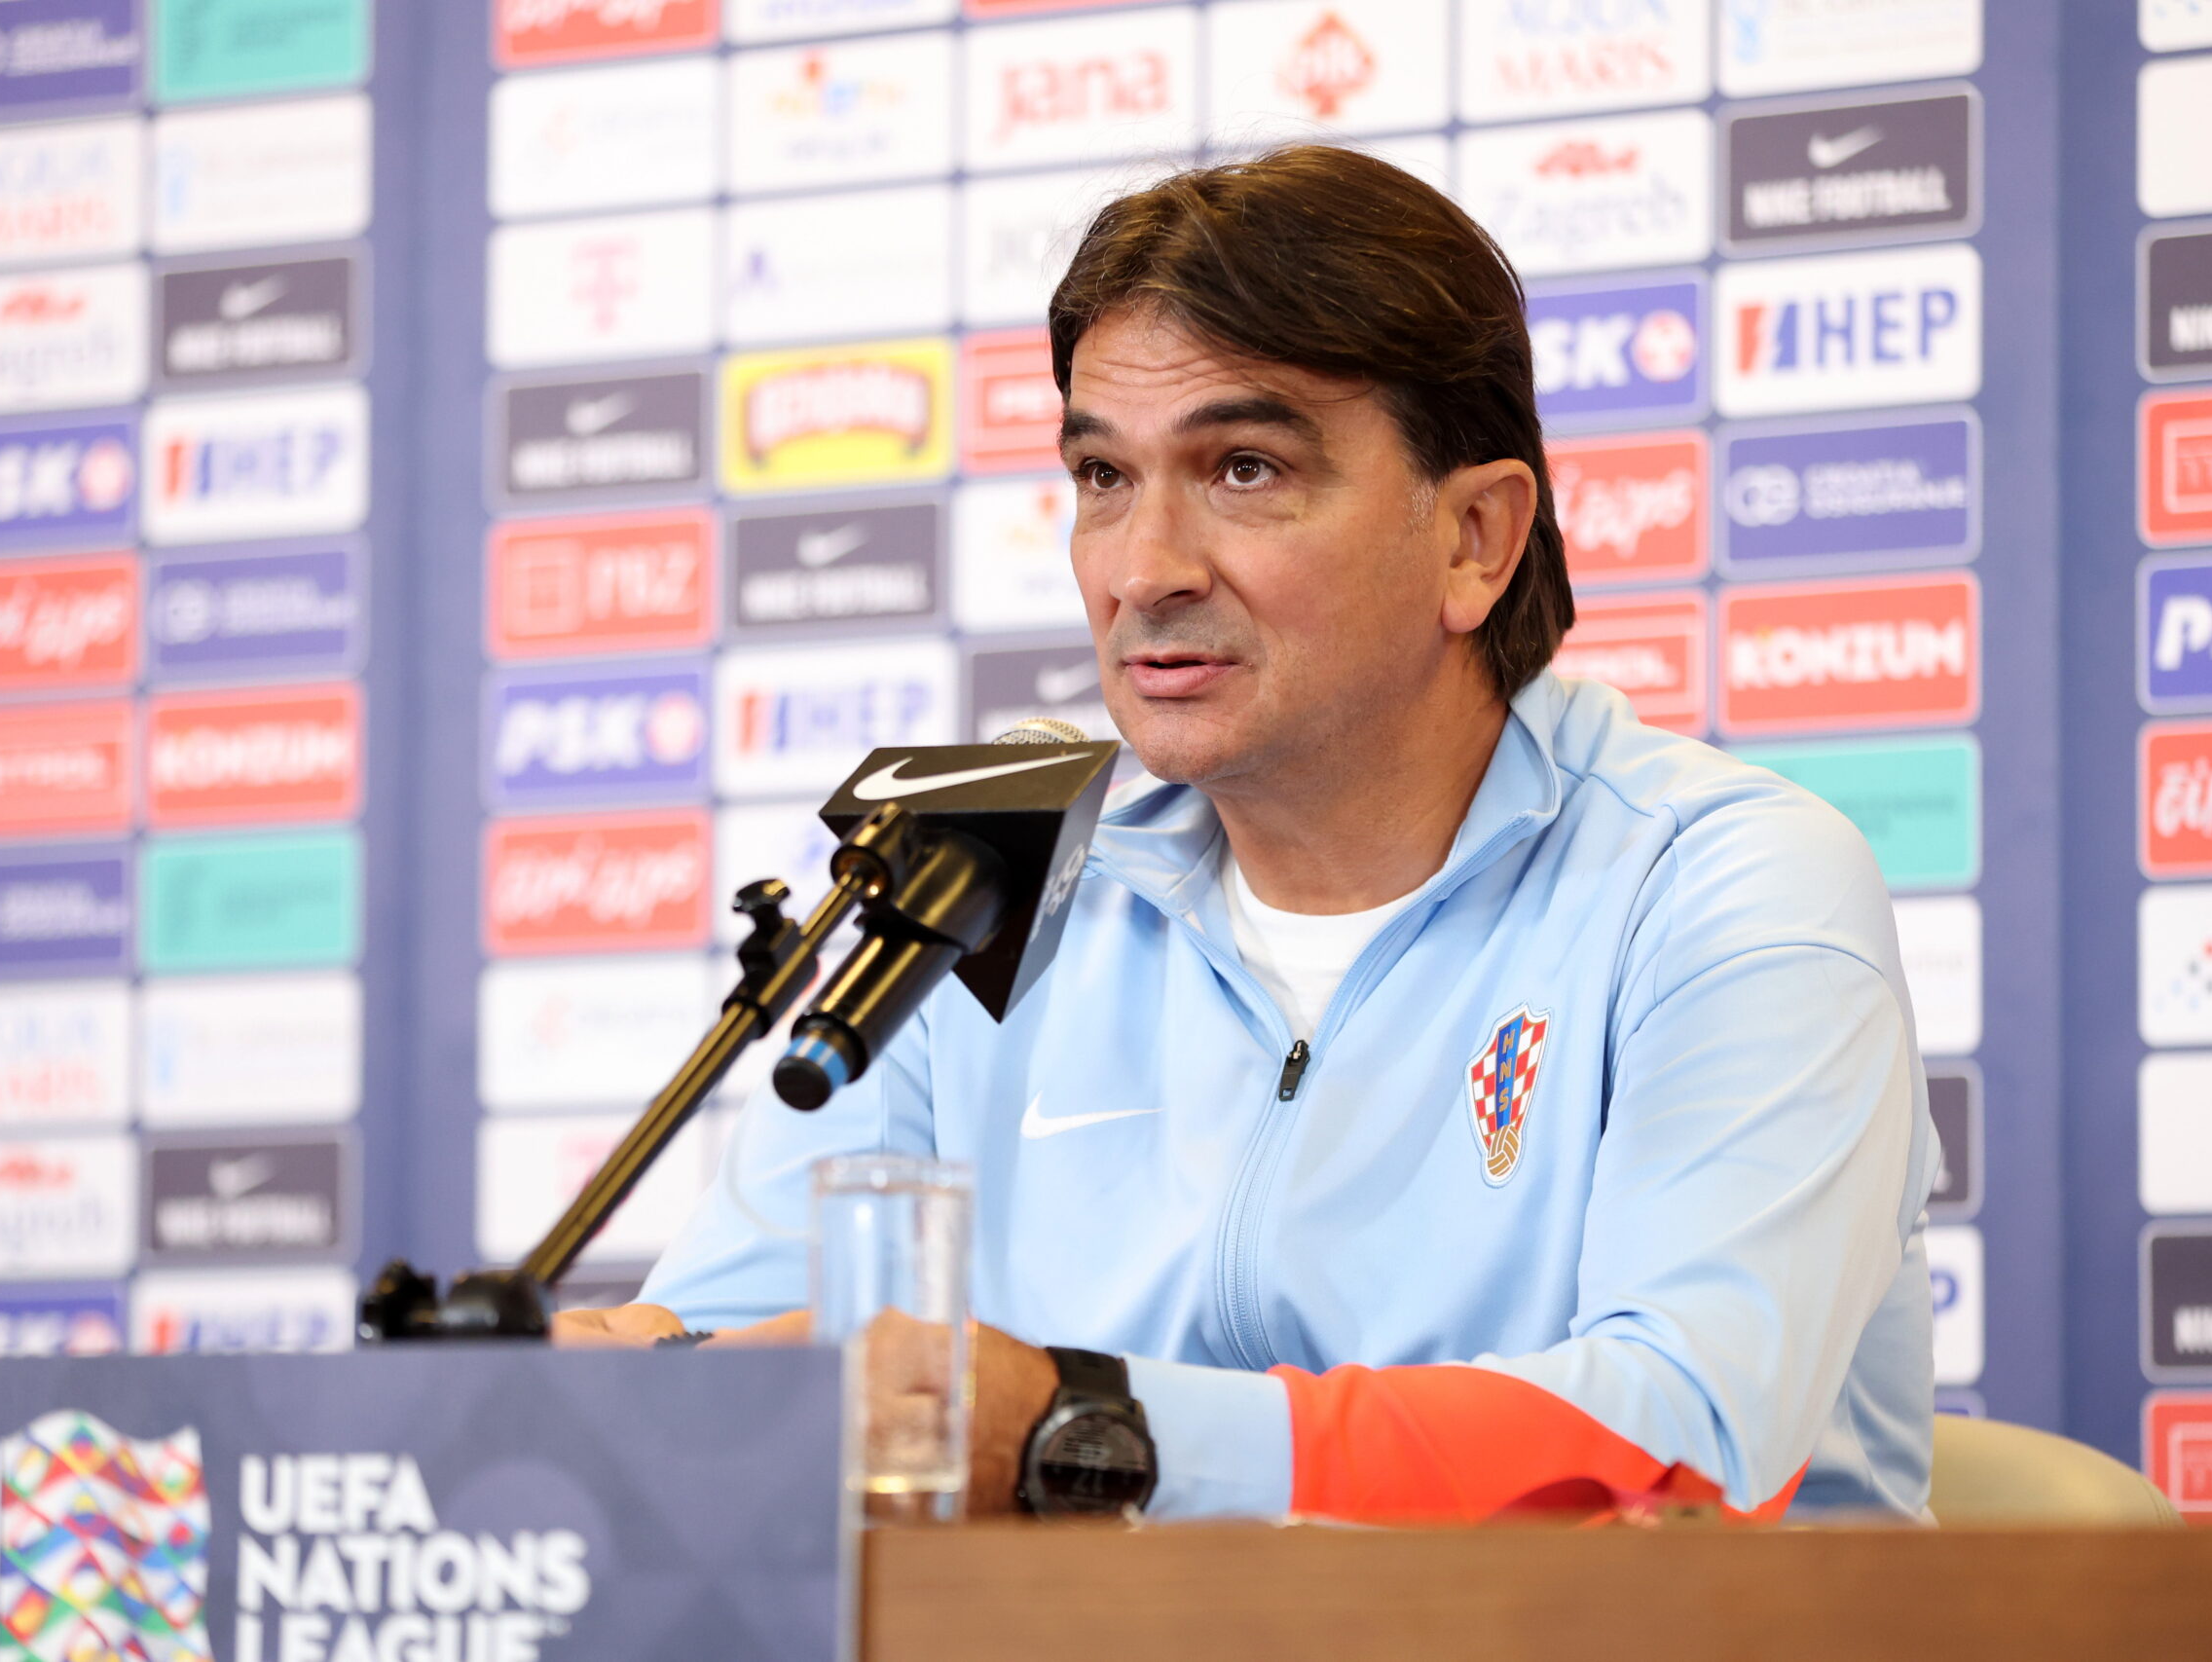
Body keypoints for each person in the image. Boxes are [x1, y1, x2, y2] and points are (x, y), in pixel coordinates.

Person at [560, 145, 1937, 1526]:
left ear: (1475, 537)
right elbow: (735, 1351)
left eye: (1242, 468)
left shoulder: (1721, 887)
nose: (1144, 569)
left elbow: (1683, 1433)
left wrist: (1082, 1431)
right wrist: (653, 1382)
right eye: (1103, 476)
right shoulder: (982, 880)